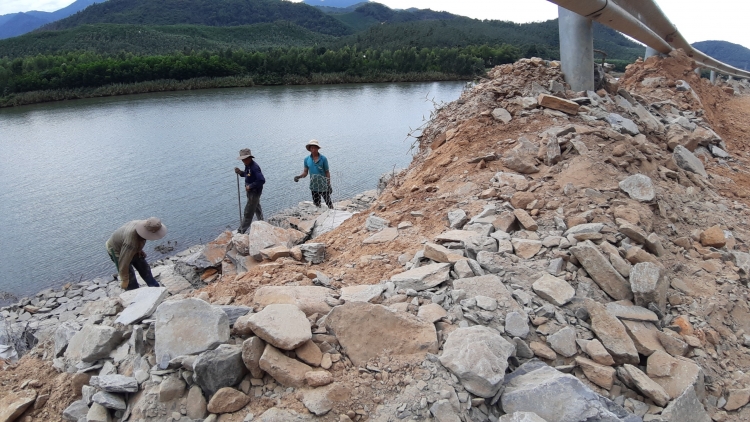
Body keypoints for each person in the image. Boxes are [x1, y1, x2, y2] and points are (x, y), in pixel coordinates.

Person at [106, 217, 166, 291]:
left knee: (145, 269)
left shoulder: (145, 225)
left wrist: (139, 250)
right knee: (131, 278)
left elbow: (140, 239)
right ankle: (134, 294)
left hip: (129, 245)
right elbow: (124, 262)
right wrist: (124, 279)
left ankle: (156, 289)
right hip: (117, 251)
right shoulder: (131, 242)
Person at [294, 139, 333, 208]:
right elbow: (305, 173)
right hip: (314, 186)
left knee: (329, 203)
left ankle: (333, 214)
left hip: (323, 185)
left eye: (314, 147)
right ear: (309, 149)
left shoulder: (323, 159)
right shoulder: (306, 159)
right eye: (311, 147)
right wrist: (299, 177)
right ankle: (320, 216)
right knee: (317, 204)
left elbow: (327, 172)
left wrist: (329, 185)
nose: (313, 149)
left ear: (318, 148)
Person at [234, 148, 265, 233]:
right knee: (256, 207)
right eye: (242, 159)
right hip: (251, 192)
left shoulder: (254, 167)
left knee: (248, 211)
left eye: (245, 159)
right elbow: (248, 175)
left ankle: (241, 231)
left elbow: (262, 180)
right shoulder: (248, 165)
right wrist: (240, 172)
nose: (243, 161)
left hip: (254, 192)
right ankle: (262, 223)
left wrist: (250, 186)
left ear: (250, 158)